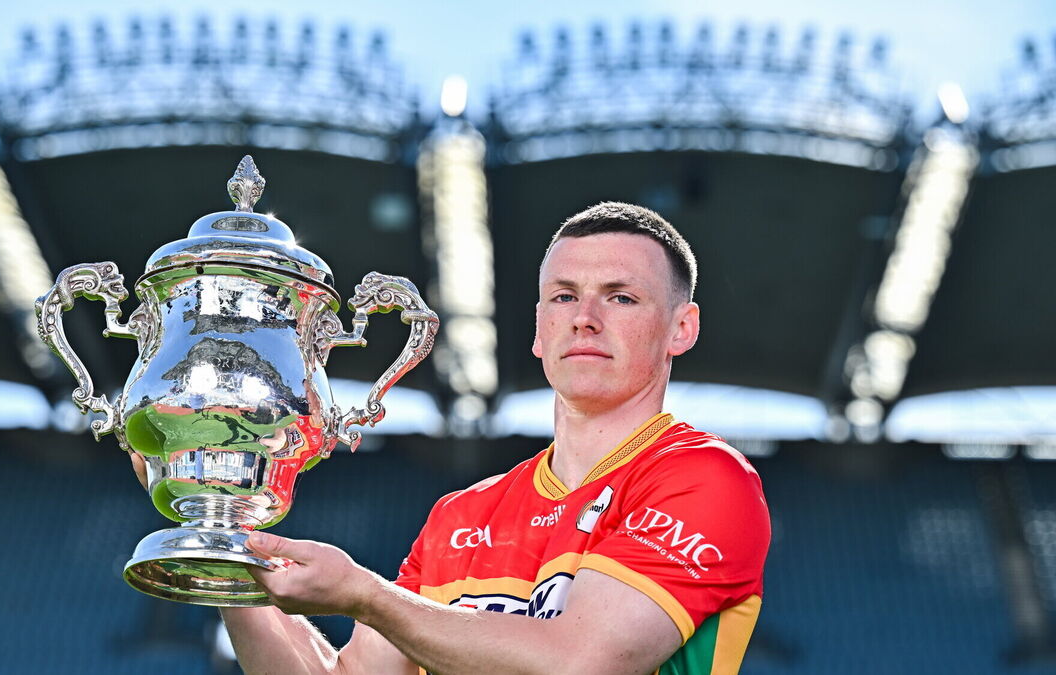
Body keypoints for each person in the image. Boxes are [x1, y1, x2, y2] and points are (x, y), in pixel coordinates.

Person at [218, 201, 771, 674]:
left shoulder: (707, 479)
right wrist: (221, 538)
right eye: (564, 297)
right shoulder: (460, 515)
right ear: (539, 328)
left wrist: (366, 596)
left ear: (682, 328)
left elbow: (580, 661)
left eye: (620, 297)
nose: (584, 318)